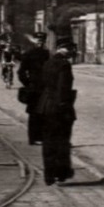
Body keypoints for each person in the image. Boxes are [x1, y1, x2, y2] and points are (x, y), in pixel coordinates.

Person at [38, 40, 78, 185]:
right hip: (60, 108)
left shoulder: (47, 63)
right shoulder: (64, 65)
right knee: (62, 140)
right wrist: (63, 106)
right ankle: (61, 172)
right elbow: (63, 88)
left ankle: (49, 175)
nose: (71, 52)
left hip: (45, 106)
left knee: (48, 141)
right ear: (63, 49)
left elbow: (42, 84)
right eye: (69, 49)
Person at [18, 34, 51, 146]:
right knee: (34, 114)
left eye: (42, 41)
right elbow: (21, 72)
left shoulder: (47, 54)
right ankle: (33, 138)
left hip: (46, 87)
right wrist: (28, 83)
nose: (40, 43)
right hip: (34, 88)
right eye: (38, 40)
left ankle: (43, 137)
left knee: (45, 113)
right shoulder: (28, 54)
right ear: (34, 41)